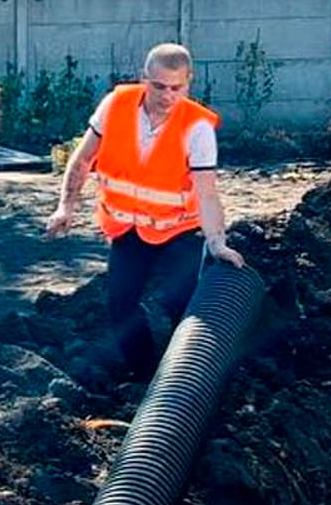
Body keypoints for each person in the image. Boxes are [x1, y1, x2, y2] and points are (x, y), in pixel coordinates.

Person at [46, 42, 245, 385]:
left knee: (179, 302)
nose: (167, 96)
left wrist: (217, 242)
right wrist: (66, 206)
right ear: (144, 79)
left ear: (188, 83)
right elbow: (81, 160)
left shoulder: (196, 127)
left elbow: (207, 192)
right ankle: (143, 380)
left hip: (181, 230)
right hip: (129, 228)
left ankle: (190, 379)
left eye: (176, 88)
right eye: (158, 86)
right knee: (120, 305)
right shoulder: (116, 105)